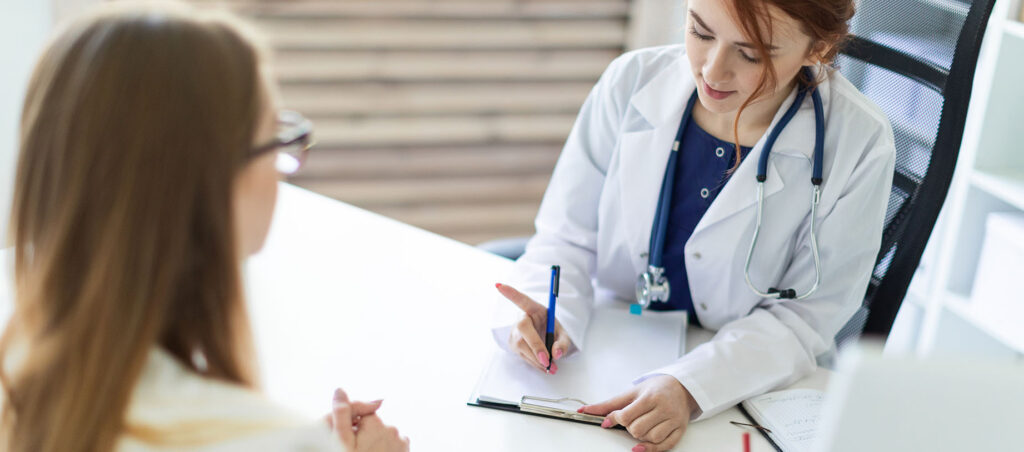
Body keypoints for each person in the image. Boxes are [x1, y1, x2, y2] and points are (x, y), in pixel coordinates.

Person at [0, 3, 408, 452]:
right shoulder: (273, 440)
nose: (280, 170)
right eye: (274, 138)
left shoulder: (21, 378)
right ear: (205, 184)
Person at [495, 0, 895, 451]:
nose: (712, 70)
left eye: (751, 54)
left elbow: (806, 317)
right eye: (701, 32)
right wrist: (549, 313)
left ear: (817, 49)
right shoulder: (632, 82)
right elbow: (566, 236)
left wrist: (689, 388)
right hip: (608, 345)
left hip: (743, 390)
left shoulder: (859, 143)